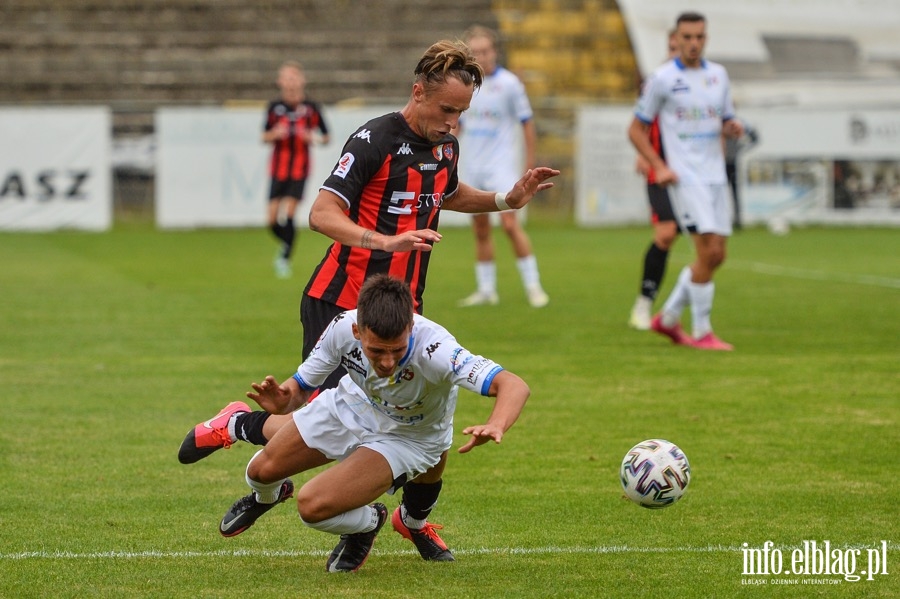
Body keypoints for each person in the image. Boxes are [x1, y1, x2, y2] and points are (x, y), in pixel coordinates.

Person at [179, 39, 558, 562]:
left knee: (411, 413)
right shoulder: (374, 138)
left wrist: (503, 200)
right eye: (446, 109)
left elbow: (442, 194)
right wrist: (383, 240)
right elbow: (321, 214)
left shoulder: (444, 143)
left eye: (461, 112)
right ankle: (244, 428)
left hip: (402, 311)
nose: (453, 122)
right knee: (345, 417)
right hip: (341, 303)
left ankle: (391, 519)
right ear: (417, 91)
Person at [193, 274, 531, 573]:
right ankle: (266, 496)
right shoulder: (342, 327)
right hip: (349, 405)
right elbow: (298, 389)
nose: (387, 362)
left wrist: (496, 424)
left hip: (407, 437)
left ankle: (368, 524)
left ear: (411, 328)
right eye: (376, 351)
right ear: (358, 330)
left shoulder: (437, 350)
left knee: (311, 506)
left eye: (397, 350)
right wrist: (285, 400)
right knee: (259, 473)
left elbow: (513, 385)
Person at [628, 12, 744, 350]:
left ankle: (667, 319)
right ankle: (702, 331)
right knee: (707, 249)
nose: (693, 43)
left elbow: (725, 117)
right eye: (687, 37)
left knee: (717, 255)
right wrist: (658, 165)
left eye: (699, 37)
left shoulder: (718, 75)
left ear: (705, 39)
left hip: (715, 175)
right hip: (685, 177)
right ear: (676, 39)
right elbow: (635, 129)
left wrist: (732, 126)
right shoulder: (661, 79)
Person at [455, 25, 550, 308]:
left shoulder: (509, 84)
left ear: (494, 51)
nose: (481, 56)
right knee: (480, 228)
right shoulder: (465, 84)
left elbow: (527, 122)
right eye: (475, 52)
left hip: (502, 165)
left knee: (510, 224)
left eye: (485, 51)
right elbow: (459, 124)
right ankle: (486, 290)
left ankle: (533, 286)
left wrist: (529, 161)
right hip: (474, 164)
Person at [628, 31, 681, 331]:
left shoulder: (704, 81)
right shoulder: (658, 81)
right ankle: (644, 304)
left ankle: (684, 315)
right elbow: (641, 121)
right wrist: (645, 154)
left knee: (708, 247)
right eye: (673, 46)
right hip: (659, 172)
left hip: (693, 175)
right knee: (665, 234)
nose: (678, 50)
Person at [263, 60, 330, 279]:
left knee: (290, 212)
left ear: (302, 80)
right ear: (280, 81)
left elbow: (326, 137)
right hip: (277, 168)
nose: (291, 82)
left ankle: (284, 259)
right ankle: (286, 244)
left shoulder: (312, 108)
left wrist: (313, 138)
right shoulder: (274, 107)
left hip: (300, 169)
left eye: (294, 77)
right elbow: (264, 135)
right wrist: (274, 134)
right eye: (287, 77)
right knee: (272, 219)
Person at [724, 118, 758, 230]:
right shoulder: (720, 125)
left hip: (732, 163)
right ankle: (722, 220)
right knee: (720, 194)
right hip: (720, 165)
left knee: (735, 193)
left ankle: (737, 220)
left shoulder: (737, 124)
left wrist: (741, 148)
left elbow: (754, 138)